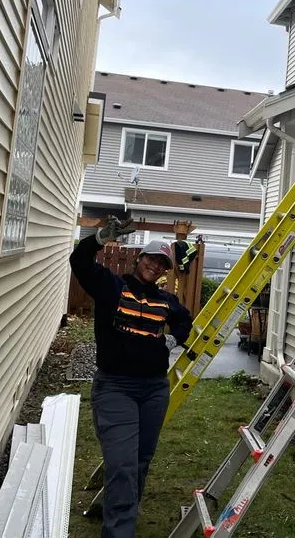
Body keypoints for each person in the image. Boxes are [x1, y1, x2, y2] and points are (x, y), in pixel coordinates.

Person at [69, 217, 193, 538]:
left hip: (154, 390)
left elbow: (185, 321)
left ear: (165, 270)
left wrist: (172, 339)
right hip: (116, 388)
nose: (155, 265)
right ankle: (120, 530)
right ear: (139, 258)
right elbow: (79, 261)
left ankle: (122, 513)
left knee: (139, 462)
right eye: (151, 258)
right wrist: (99, 237)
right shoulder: (112, 286)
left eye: (162, 263)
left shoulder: (165, 300)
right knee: (122, 464)